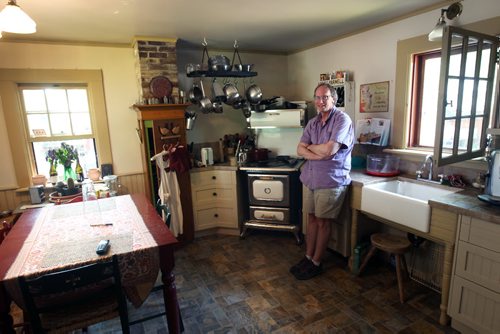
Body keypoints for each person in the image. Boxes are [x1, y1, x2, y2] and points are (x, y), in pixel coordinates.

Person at [291, 83, 354, 280]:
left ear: (334, 99)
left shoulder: (342, 119)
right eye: (317, 97)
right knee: (311, 219)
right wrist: (318, 153)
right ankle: (308, 257)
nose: (321, 101)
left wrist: (312, 149)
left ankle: (317, 262)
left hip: (331, 180)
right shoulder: (312, 122)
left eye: (325, 97)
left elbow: (330, 151)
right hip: (311, 178)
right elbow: (300, 149)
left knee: (323, 223)